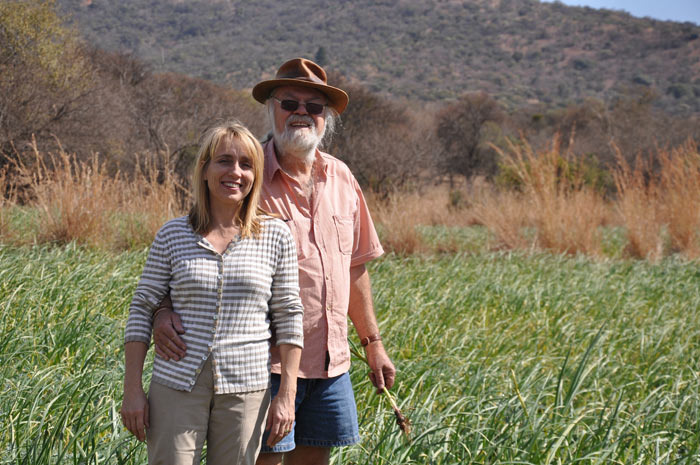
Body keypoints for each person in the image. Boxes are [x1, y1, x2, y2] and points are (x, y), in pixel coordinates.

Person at [153, 58, 396, 465]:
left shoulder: (342, 178)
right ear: (272, 109)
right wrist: (162, 311)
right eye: (290, 103)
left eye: (314, 106)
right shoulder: (245, 177)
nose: (302, 112)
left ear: (325, 118)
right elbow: (192, 254)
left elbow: (355, 268)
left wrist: (373, 344)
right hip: (261, 363)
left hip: (330, 363)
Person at [120, 120, 304, 465]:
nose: (235, 172)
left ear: (255, 176)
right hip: (176, 382)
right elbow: (142, 307)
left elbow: (289, 313)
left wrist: (287, 395)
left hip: (246, 387)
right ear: (204, 170)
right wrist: (132, 390)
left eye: (246, 164)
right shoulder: (173, 234)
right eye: (224, 161)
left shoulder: (275, 235)